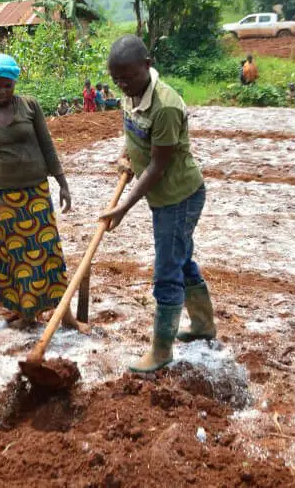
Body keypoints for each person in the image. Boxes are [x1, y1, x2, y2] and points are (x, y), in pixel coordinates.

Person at [98, 36, 215, 373]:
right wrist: (126, 153)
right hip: (163, 197)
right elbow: (133, 129)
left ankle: (161, 351)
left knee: (166, 270)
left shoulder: (165, 106)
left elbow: (158, 166)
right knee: (181, 259)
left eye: (128, 77)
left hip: (178, 197)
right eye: (116, 79)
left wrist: (123, 207)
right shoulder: (131, 91)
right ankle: (203, 325)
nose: (123, 85)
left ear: (147, 65)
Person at [0, 54, 80, 329]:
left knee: (47, 253)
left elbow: (47, 145)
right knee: (14, 258)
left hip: (35, 194)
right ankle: (24, 312)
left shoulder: (30, 106)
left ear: (14, 84)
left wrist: (62, 183)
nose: (1, 91)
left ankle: (64, 315)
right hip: (2, 199)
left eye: (7, 85)